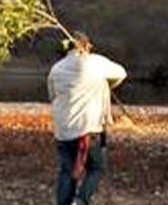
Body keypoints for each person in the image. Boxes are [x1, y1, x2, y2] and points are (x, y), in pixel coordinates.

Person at [47, 31, 127, 205]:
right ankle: (81, 200)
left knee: (67, 171)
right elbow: (121, 73)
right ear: (84, 46)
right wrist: (106, 84)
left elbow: (52, 96)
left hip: (63, 131)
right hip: (87, 129)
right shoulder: (96, 62)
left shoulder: (56, 69)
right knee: (96, 168)